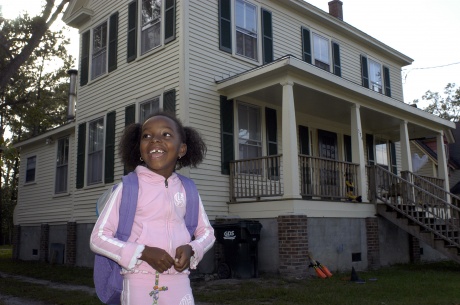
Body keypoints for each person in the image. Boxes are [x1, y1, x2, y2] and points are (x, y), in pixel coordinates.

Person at [90, 111, 215, 305]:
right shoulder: (128, 188)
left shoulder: (188, 189)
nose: (155, 140)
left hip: (180, 283)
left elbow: (207, 232)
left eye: (166, 135)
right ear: (140, 149)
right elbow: (98, 238)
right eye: (147, 136)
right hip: (138, 282)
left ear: (181, 149)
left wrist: (192, 248)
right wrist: (142, 252)